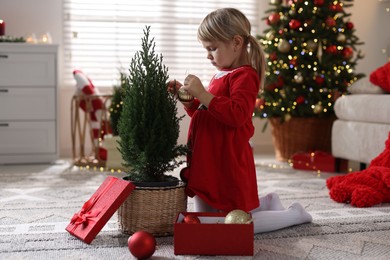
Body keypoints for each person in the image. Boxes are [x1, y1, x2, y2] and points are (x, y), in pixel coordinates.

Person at [168, 7, 312, 233]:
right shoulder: (219, 74)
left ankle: (294, 214)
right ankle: (267, 202)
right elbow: (209, 115)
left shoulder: (245, 75)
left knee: (235, 225)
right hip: (209, 158)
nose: (208, 55)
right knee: (203, 218)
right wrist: (189, 101)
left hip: (228, 160)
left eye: (212, 48)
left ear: (236, 43)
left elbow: (236, 115)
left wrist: (203, 94)